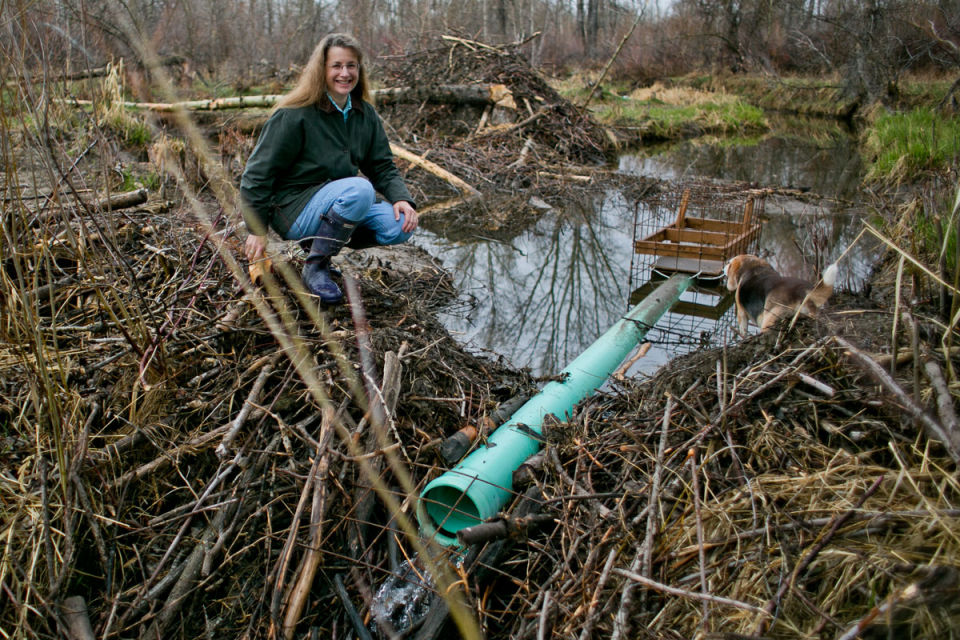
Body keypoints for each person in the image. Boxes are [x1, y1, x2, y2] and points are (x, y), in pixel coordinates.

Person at [240, 33, 418, 304]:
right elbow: (257, 174)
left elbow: (381, 164)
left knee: (400, 226)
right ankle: (316, 267)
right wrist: (256, 229)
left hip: (337, 201)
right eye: (336, 65)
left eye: (351, 65)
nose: (344, 73)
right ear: (321, 69)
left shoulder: (364, 114)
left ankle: (317, 246)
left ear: (359, 69)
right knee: (360, 189)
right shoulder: (294, 114)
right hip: (293, 209)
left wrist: (401, 198)